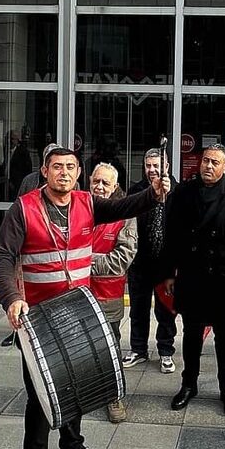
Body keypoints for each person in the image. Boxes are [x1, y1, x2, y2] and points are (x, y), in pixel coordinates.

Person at [0, 147, 166, 449]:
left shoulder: (88, 203)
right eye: (57, 167)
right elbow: (2, 255)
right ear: (44, 171)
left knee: (77, 384)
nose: (65, 173)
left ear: (78, 174)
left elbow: (124, 208)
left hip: (77, 311)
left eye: (71, 167)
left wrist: (153, 193)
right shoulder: (23, 208)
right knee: (41, 393)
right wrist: (11, 299)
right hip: (37, 316)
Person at [162, 144, 225, 417]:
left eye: (215, 163)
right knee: (191, 335)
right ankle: (189, 384)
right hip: (192, 276)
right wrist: (168, 272)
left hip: (223, 280)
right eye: (205, 161)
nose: (208, 166)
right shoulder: (183, 193)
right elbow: (171, 235)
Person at [121, 147, 180, 374]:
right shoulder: (136, 190)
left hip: (166, 265)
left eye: (156, 165)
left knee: (166, 311)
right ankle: (138, 349)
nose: (152, 170)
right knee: (138, 308)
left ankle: (166, 351)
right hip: (140, 262)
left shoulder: (177, 190)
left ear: (166, 166)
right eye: (148, 165)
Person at [87, 163, 138, 424]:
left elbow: (121, 260)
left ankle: (113, 396)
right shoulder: (77, 208)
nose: (100, 187)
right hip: (75, 295)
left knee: (109, 348)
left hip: (107, 296)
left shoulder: (125, 215)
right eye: (96, 181)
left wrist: (83, 260)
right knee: (79, 347)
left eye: (106, 183)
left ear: (115, 186)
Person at [2, 143, 60, 348]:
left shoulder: (67, 182)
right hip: (26, 244)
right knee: (20, 288)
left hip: (53, 246)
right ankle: (17, 330)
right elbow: (19, 207)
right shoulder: (30, 180)